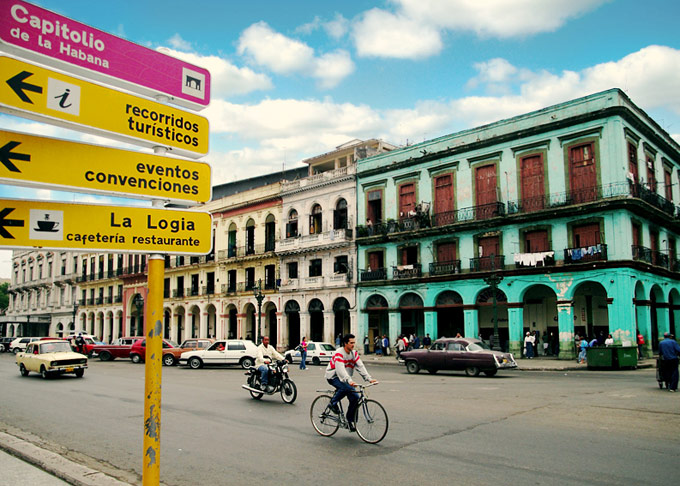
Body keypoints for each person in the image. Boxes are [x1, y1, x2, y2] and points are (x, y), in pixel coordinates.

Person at [325, 334, 378, 431]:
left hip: (346, 378)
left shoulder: (354, 354)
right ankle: (332, 403)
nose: (353, 345)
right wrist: (349, 380)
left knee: (355, 398)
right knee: (346, 388)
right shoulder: (339, 353)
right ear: (345, 343)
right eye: (351, 343)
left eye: (354, 342)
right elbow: (340, 369)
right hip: (333, 376)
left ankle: (350, 421)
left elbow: (360, 366)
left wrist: (369, 378)